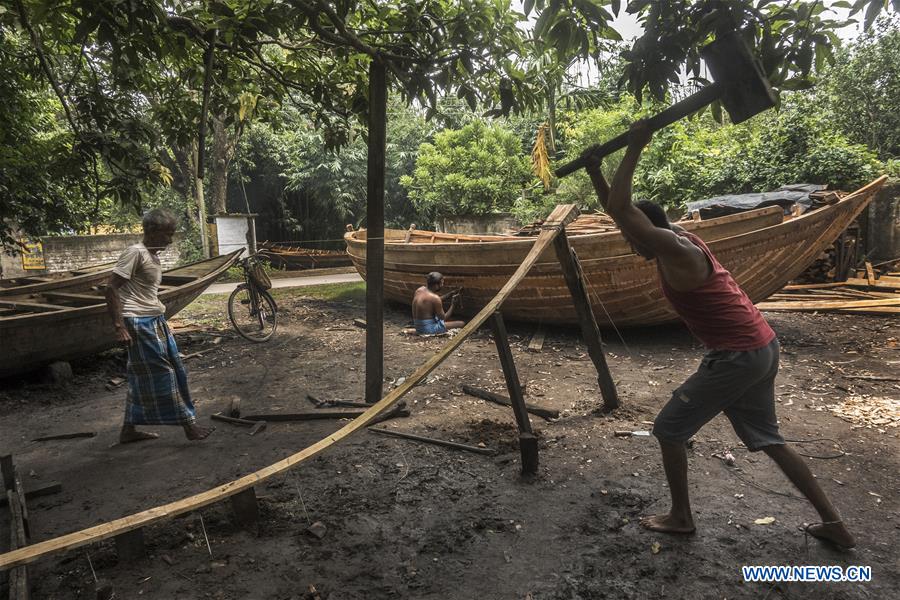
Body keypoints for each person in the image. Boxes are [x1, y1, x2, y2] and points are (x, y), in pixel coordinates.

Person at [586, 120, 854, 549]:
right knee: (770, 440)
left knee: (669, 430)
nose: (629, 242)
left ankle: (681, 517)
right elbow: (621, 211)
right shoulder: (678, 236)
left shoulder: (674, 251)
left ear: (645, 231)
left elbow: (622, 212)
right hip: (762, 346)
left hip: (737, 355)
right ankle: (835, 523)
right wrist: (595, 170)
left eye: (632, 236)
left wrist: (635, 146)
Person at [105, 208, 214, 444]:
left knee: (145, 374)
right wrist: (119, 326)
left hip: (154, 320)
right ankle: (189, 426)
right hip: (138, 321)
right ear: (152, 232)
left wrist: (162, 321)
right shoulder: (135, 253)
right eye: (167, 234)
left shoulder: (151, 255)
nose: (170, 239)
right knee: (165, 374)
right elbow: (111, 287)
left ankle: (128, 430)